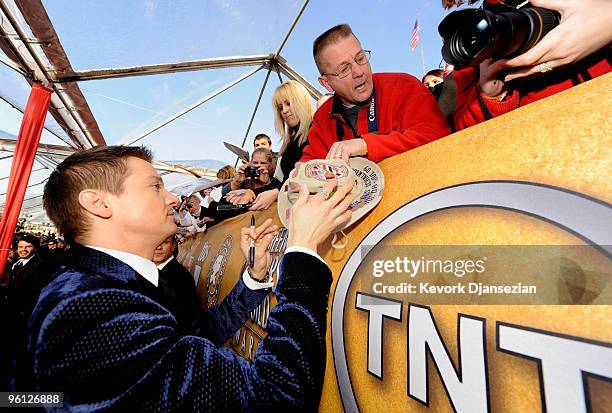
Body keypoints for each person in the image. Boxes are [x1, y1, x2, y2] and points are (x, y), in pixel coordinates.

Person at [24, 144, 354, 410]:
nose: (171, 198)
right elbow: (278, 396)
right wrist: (303, 251)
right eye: (155, 186)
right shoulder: (94, 309)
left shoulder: (112, 284)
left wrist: (253, 276)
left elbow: (199, 335)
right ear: (98, 203)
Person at [447, 0, 612, 130]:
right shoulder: (472, 39)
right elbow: (464, 133)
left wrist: (607, 19)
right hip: (548, 147)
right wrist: (490, 94)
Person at [300, 24, 450, 163]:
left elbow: (438, 135)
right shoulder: (322, 119)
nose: (359, 72)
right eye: (344, 69)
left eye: (360, 58)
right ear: (327, 83)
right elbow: (308, 166)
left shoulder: (404, 85)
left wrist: (367, 145)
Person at [250, 80, 315, 211]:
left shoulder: (315, 132)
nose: (284, 111)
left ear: (302, 101)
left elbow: (312, 178)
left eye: (289, 103)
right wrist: (253, 191)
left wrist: (276, 192)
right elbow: (285, 181)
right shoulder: (292, 140)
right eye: (280, 107)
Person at [153, 235, 199, 331]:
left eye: (165, 242)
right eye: (155, 241)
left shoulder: (180, 276)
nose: (158, 247)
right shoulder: (152, 272)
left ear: (173, 246)